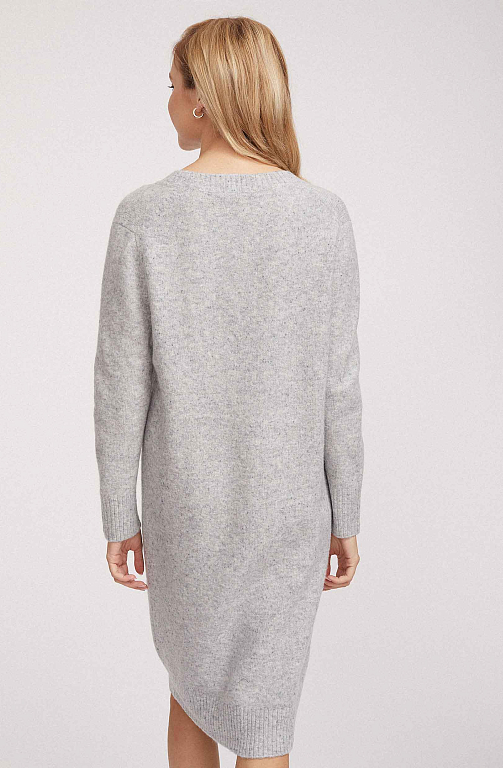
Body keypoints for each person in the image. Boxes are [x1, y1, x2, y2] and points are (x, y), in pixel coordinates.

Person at [93, 16, 364, 768]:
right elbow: (339, 382)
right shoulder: (321, 216)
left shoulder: (145, 215)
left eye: (172, 86)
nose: (167, 102)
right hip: (289, 511)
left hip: (185, 508)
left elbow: (120, 382)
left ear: (203, 98)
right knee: (265, 715)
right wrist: (346, 512)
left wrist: (119, 513)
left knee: (191, 689)